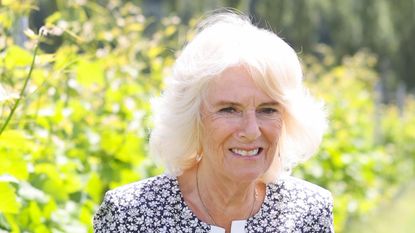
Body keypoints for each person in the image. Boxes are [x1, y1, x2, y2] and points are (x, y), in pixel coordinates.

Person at [93, 11, 334, 233]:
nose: (251, 130)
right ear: (193, 117)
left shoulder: (309, 212)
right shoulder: (129, 214)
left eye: (267, 110)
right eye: (229, 109)